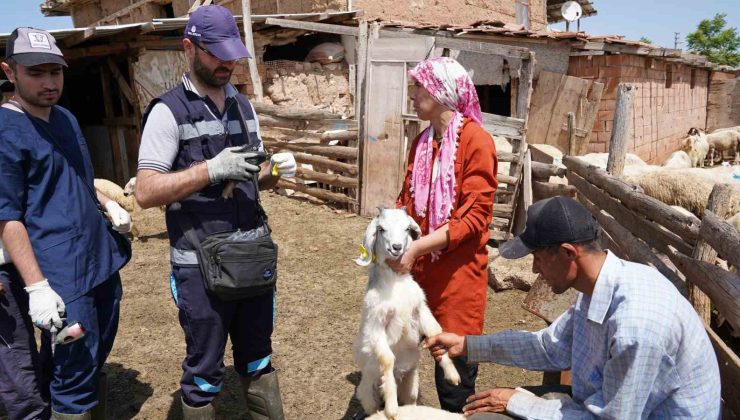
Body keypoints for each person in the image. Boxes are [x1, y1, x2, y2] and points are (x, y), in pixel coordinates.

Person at [134, 6, 296, 419]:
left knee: (259, 358)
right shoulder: (167, 112)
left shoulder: (243, 106)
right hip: (200, 267)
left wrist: (274, 170)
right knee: (205, 370)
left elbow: (255, 175)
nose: (227, 63)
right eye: (216, 54)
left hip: (251, 256)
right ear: (189, 48)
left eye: (233, 54)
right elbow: (147, 192)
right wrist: (209, 170)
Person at [425, 196, 722, 419]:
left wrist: (520, 402)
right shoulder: (597, 288)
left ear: (568, 253)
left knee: (491, 412)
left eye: (538, 258)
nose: (535, 269)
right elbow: (549, 347)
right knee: (484, 412)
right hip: (605, 403)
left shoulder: (636, 326)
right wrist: (467, 345)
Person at [0, 28, 132, 419]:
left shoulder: (66, 119)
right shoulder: (6, 133)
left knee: (98, 347)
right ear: (10, 72)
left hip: (98, 259)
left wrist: (107, 203)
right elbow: (6, 216)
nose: (49, 82)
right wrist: (38, 287)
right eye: (36, 73)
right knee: (73, 360)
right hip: (61, 273)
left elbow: (72, 179)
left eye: (55, 72)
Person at [387, 57, 498, 412]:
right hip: (418, 275)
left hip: (457, 279)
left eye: (419, 87)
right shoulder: (422, 142)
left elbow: (474, 218)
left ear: (441, 91)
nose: (413, 94)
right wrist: (392, 236)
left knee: (452, 373)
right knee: (401, 363)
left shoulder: (476, 142)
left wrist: (417, 247)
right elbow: (406, 200)